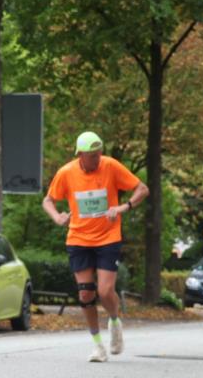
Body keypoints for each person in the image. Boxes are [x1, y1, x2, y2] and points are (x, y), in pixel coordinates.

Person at [42, 131, 149, 362]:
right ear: (80, 154)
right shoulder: (67, 172)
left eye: (99, 154)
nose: (97, 159)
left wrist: (124, 207)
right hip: (78, 239)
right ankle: (98, 346)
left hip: (108, 237)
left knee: (104, 290)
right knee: (85, 293)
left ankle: (114, 320)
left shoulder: (110, 166)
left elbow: (142, 188)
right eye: (92, 155)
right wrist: (56, 217)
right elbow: (48, 200)